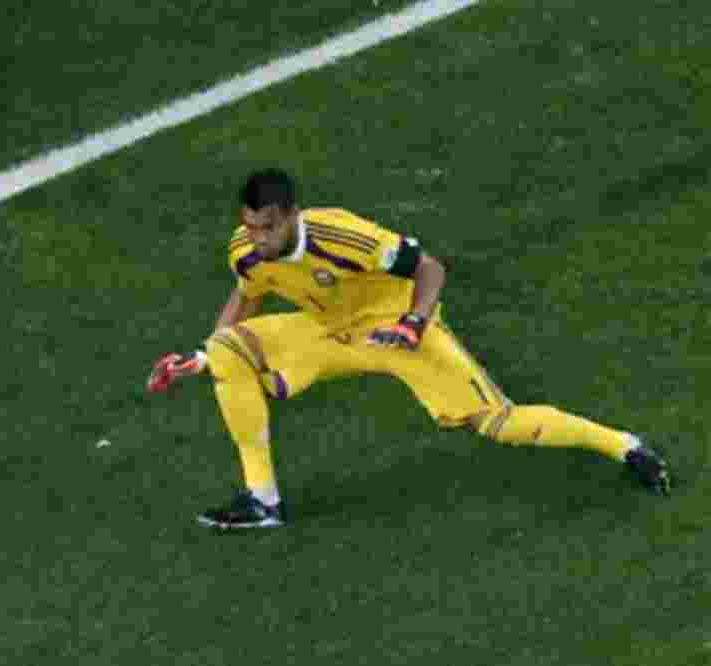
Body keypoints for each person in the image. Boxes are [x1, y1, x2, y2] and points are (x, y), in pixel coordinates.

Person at [147, 167, 671, 528]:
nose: (257, 237)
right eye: (250, 226)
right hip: (326, 333)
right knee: (228, 352)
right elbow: (245, 298)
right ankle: (263, 501)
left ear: (291, 216)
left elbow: (430, 268)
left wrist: (415, 323)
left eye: (266, 227)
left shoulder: (345, 237)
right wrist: (200, 356)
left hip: (393, 330)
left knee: (495, 421)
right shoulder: (247, 253)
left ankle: (623, 445)